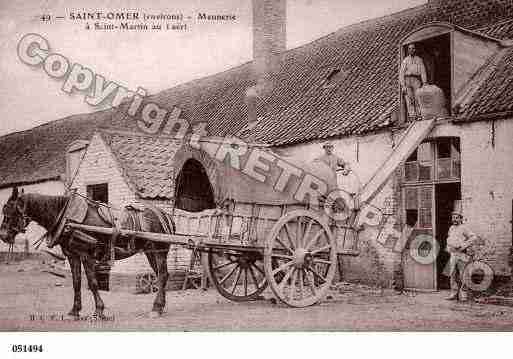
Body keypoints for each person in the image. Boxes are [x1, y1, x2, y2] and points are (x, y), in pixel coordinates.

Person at [445, 200, 477, 301]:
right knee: (452, 274)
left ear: (461, 219)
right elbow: (449, 239)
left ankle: (463, 294)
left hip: (462, 254)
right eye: (453, 217)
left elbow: (473, 237)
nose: (454, 219)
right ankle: (453, 293)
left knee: (463, 274)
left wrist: (463, 246)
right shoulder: (451, 228)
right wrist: (449, 247)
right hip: (453, 254)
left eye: (457, 217)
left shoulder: (464, 228)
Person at [400, 43, 427, 119]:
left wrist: (424, 82)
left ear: (415, 50)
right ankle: (412, 116)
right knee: (409, 98)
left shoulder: (419, 60)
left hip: (416, 79)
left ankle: (419, 115)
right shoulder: (405, 60)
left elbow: (423, 71)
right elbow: (401, 73)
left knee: (418, 97)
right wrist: (403, 85)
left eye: (413, 48)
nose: (411, 50)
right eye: (409, 49)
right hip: (407, 80)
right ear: (408, 50)